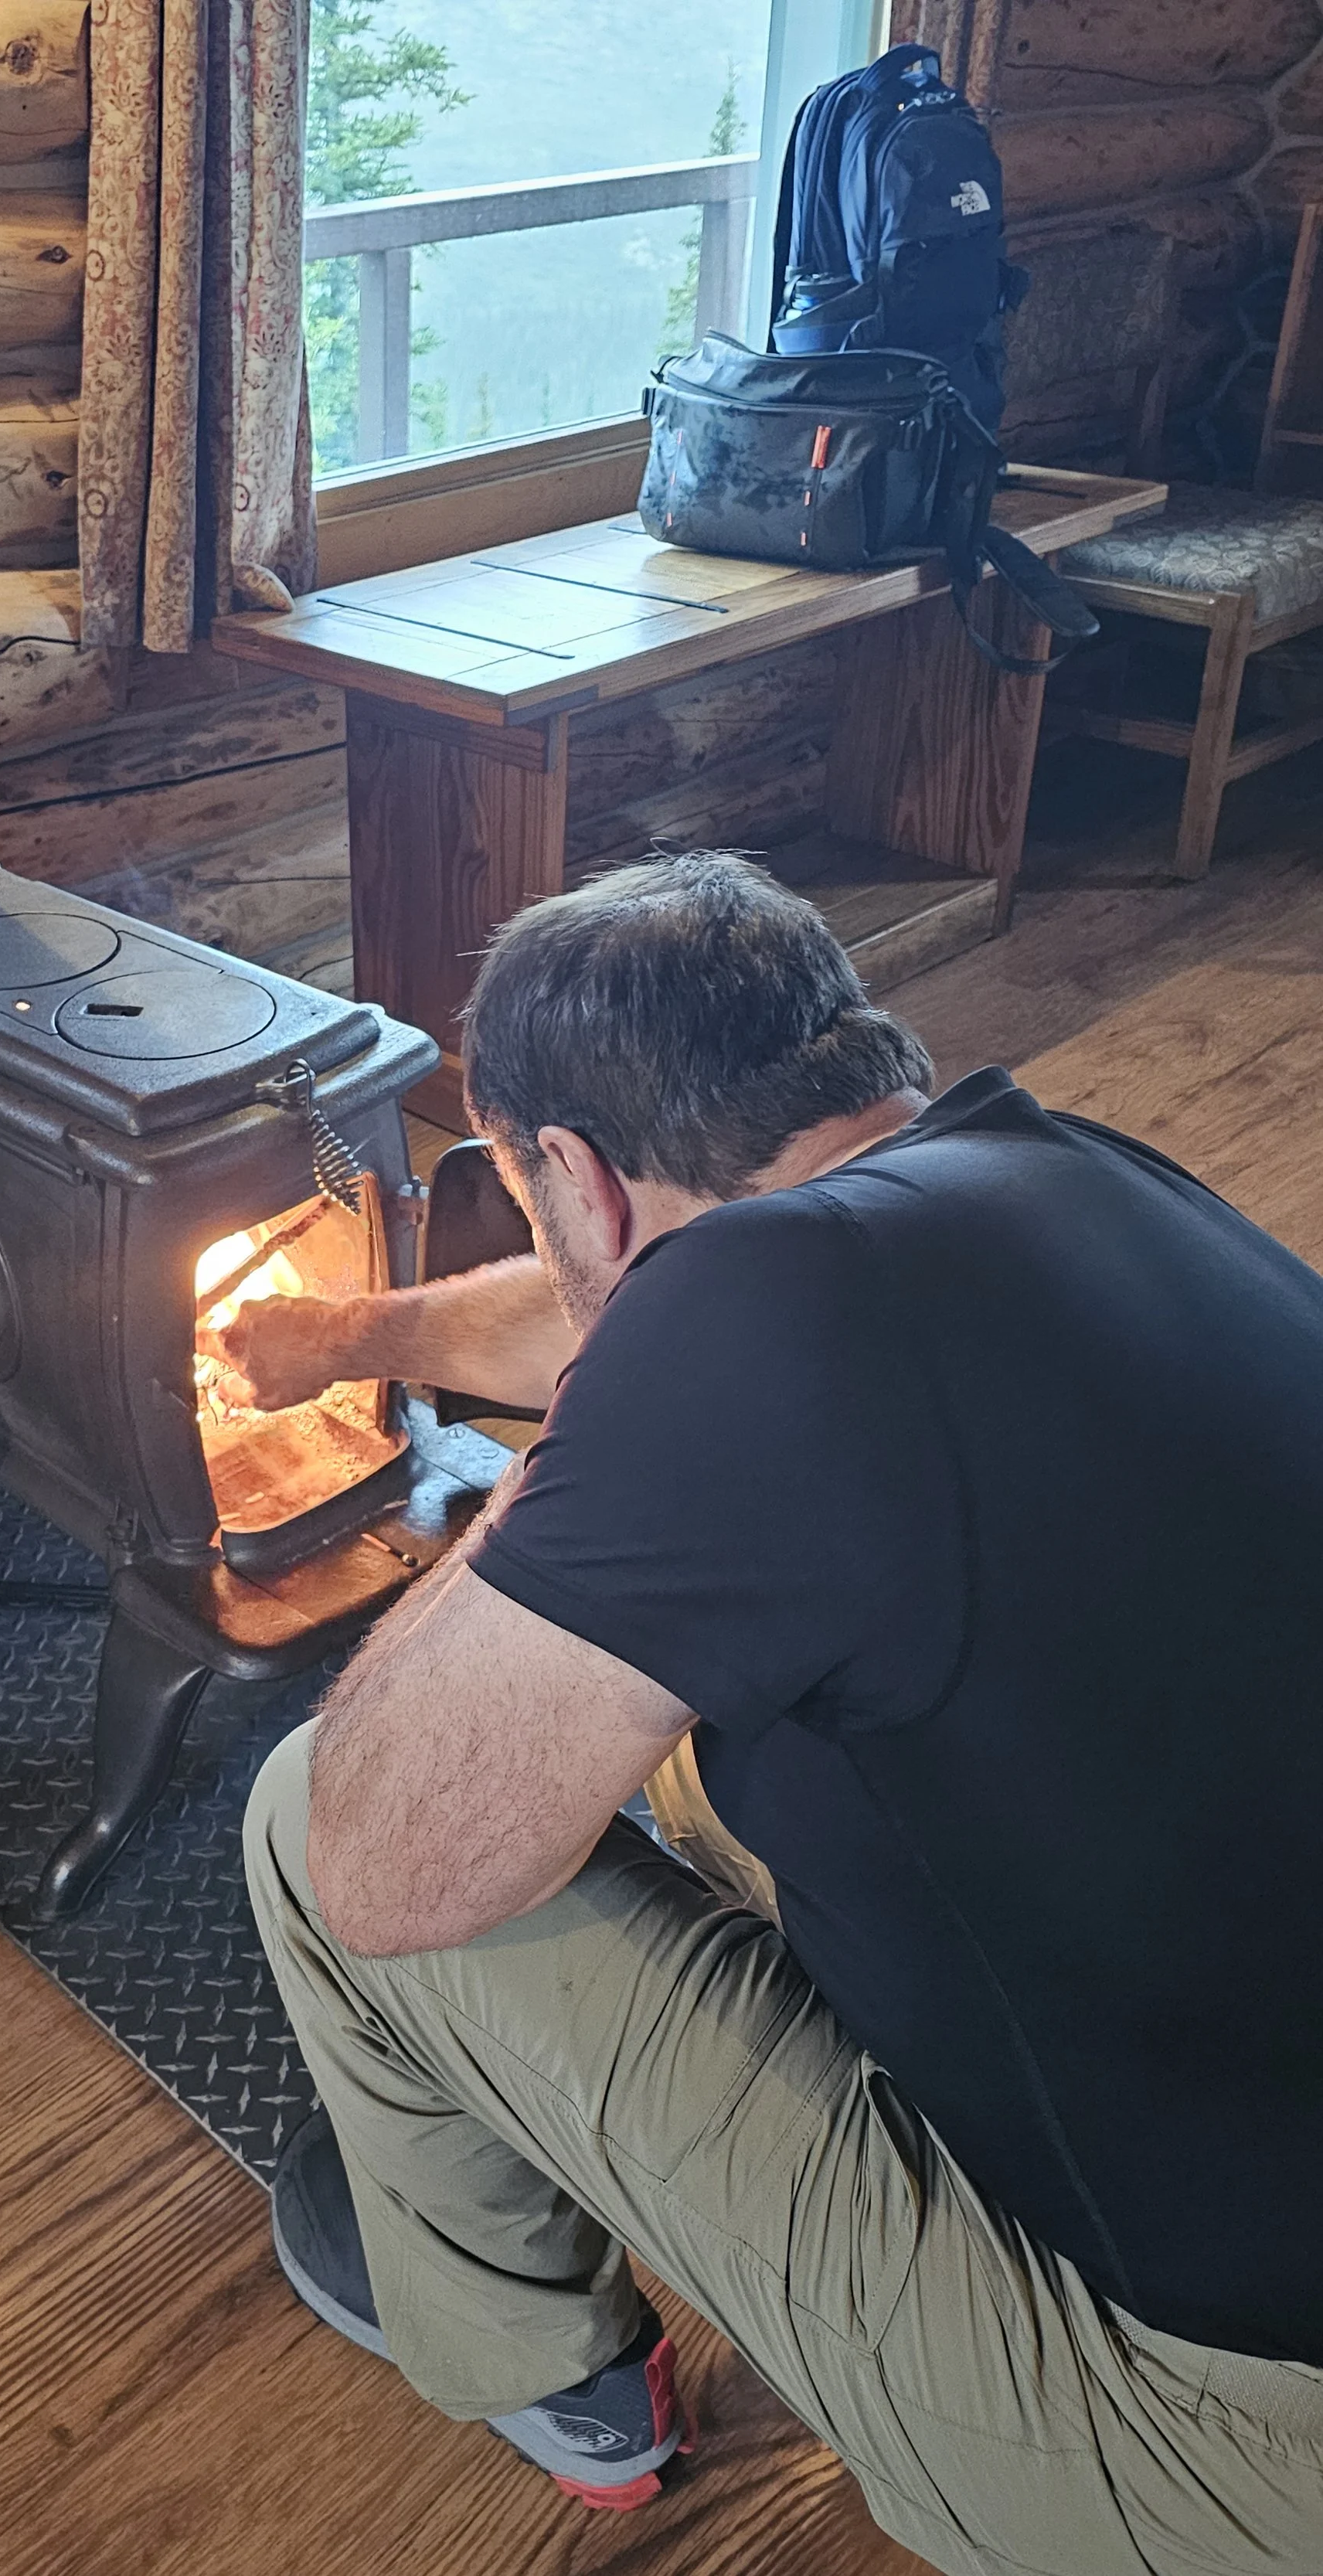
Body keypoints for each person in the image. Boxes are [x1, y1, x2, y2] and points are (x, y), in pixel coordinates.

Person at [227, 854, 1323, 2571]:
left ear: (569, 1180)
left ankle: (549, 2372)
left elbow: (383, 1861)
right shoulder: (1070, 1168)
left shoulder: (740, 1328)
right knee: (688, 1707)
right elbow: (640, 1330)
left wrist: (550, 1481)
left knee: (306, 1815)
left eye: (527, 1200)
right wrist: (347, 1336)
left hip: (1228, 2459)